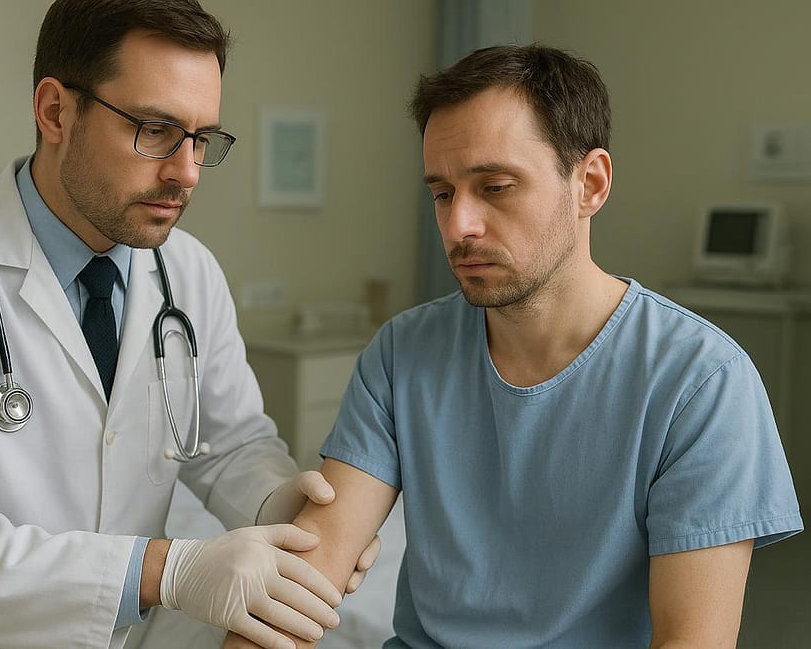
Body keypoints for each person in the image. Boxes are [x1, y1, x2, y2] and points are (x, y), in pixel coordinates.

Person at [0, 0, 379, 649]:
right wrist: (165, 568)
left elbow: (228, 443)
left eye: (202, 138)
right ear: (56, 112)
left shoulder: (188, 271)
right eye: (156, 130)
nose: (186, 172)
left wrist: (291, 511)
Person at [224, 44, 803, 648]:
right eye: (443, 194)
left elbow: (693, 640)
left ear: (590, 184)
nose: (459, 226)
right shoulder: (404, 352)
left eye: (495, 187)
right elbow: (306, 580)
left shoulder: (701, 381)